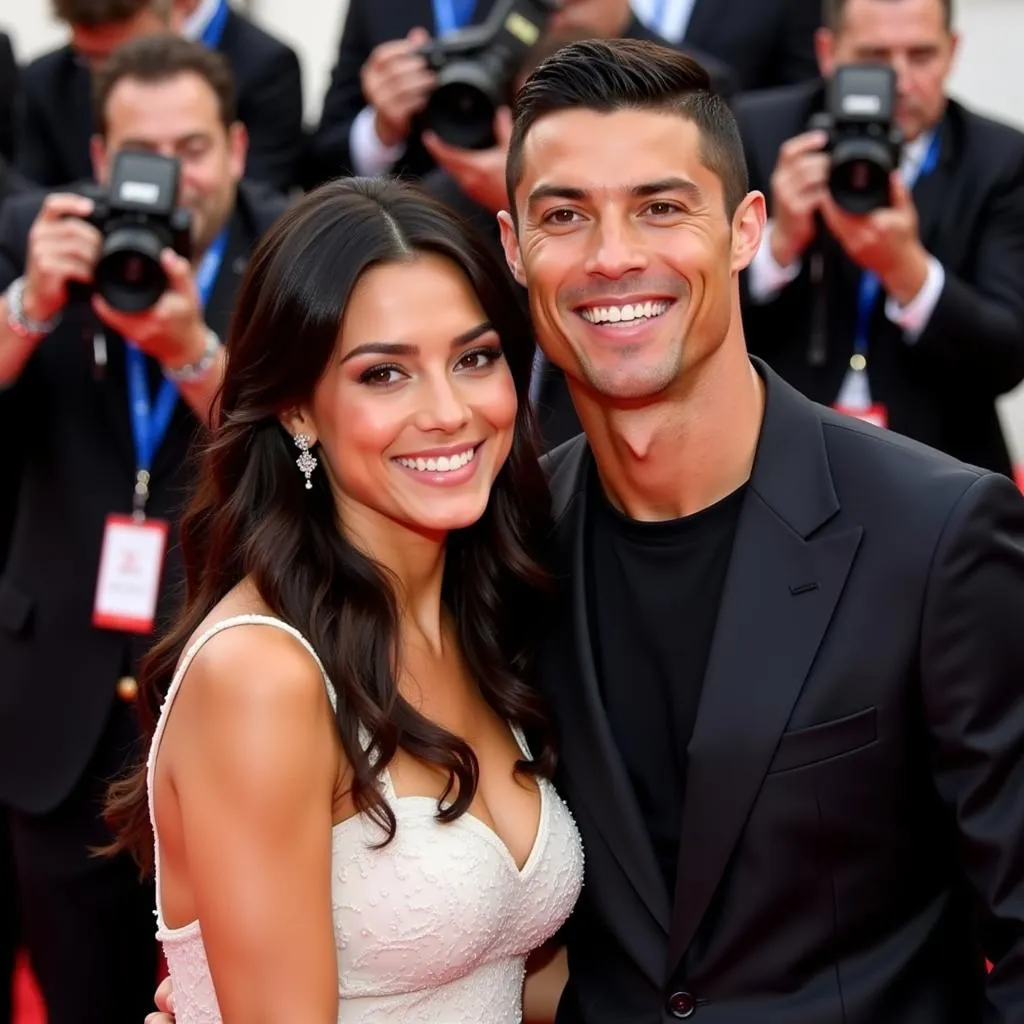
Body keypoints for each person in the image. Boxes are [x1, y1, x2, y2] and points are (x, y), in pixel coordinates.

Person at [150, 36, 1024, 1024]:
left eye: (660, 207)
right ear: (516, 248)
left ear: (745, 229)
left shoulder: (935, 532)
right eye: (565, 215)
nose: (613, 257)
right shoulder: (509, 545)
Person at [107, 175, 583, 1022]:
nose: (449, 412)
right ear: (297, 408)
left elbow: (502, 980)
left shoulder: (480, 616)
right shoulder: (263, 676)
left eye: (474, 358)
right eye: (385, 374)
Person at [0, 33, 288, 1024]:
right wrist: (28, 307)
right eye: (143, 149)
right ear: (97, 160)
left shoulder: (284, 257)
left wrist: (192, 354)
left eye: (194, 148)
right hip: (58, 722)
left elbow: (305, 467)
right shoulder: (37, 244)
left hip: (232, 712)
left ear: (238, 148)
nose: (170, 177)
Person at [736, 0, 1024, 476]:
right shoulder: (761, 132)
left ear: (952, 52)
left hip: (940, 464)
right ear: (828, 53)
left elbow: (1006, 357)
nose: (900, 81)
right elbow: (698, 316)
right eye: (873, 57)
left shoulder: (1001, 159)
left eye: (921, 56)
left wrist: (908, 270)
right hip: (778, 454)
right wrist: (778, 243)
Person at [307, 0, 736, 188]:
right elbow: (320, 161)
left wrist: (526, 190)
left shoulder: (698, 81)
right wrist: (382, 129)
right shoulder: (509, 43)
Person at [15, 0, 303, 193]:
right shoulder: (45, 80)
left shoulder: (264, 66)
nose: (106, 76)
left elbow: (259, 203)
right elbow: (30, 202)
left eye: (125, 55)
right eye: (91, 58)